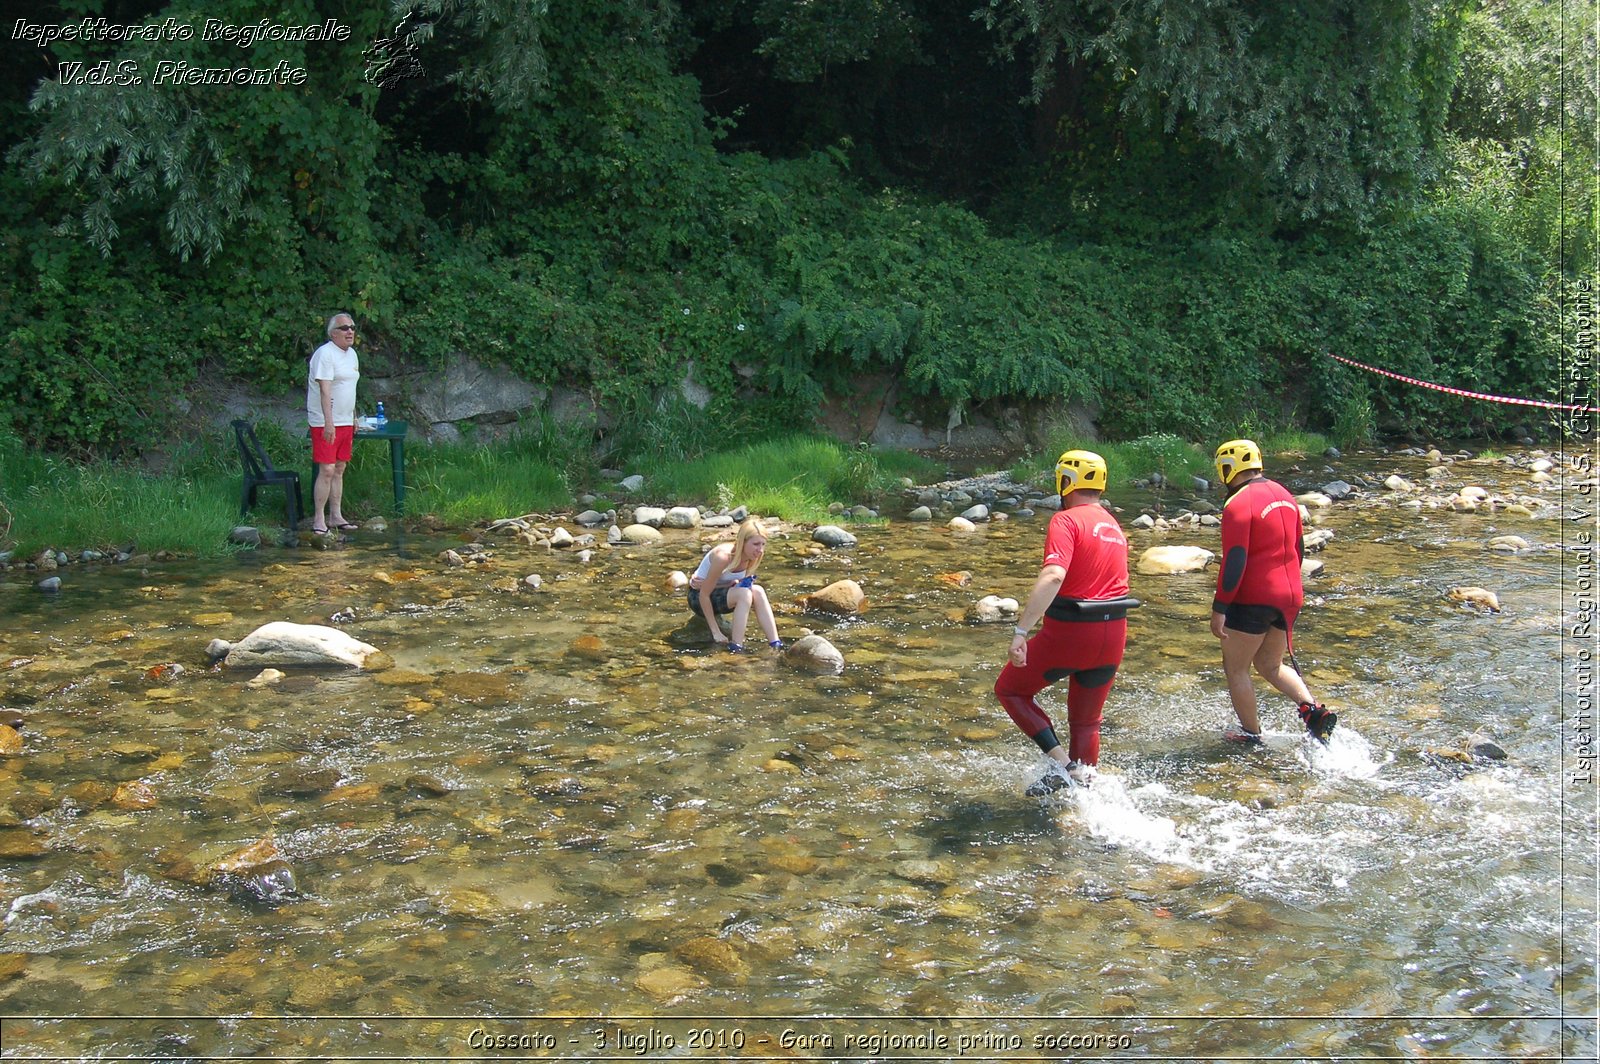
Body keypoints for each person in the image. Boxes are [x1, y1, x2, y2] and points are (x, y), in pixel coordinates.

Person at [995, 450, 1137, 795]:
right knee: (1087, 721)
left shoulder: (1066, 520)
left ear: (1066, 482)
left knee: (1010, 689)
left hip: (1073, 632)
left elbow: (1055, 575)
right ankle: (1083, 791)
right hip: (1114, 633)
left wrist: (1021, 631)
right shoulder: (1114, 526)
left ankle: (1063, 765)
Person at [1210, 438, 1336, 742]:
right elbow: (1299, 548)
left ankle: (1250, 735)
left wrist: (1219, 608)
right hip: (1290, 594)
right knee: (1269, 663)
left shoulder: (1238, 503)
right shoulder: (1284, 494)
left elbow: (1235, 560)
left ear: (1228, 468)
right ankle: (1313, 711)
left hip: (1254, 597)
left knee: (1236, 668)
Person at [688, 517, 783, 652]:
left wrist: (732, 584)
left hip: (722, 591)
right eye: (756, 544)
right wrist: (716, 632)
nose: (760, 549)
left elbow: (740, 583)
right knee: (744, 594)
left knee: (758, 591)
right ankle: (736, 646)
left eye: (763, 544)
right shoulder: (723, 557)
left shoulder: (754, 556)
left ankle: (775, 643)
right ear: (742, 542)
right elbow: (704, 594)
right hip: (698, 597)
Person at [306, 313, 360, 535]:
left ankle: (336, 516)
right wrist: (329, 423)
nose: (350, 332)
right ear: (333, 333)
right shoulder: (325, 354)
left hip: (345, 419)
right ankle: (319, 518)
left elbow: (350, 388)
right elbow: (324, 389)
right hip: (325, 421)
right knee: (326, 469)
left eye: (352, 327)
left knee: (339, 467)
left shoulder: (352, 355)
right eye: (345, 328)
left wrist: (354, 416)